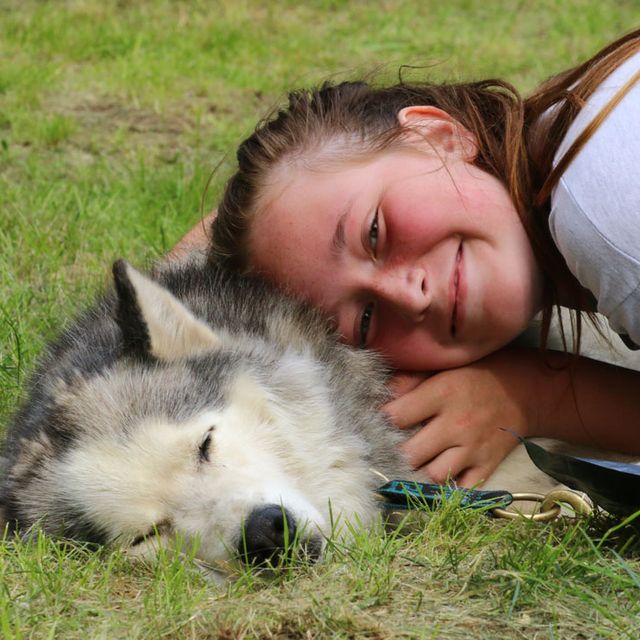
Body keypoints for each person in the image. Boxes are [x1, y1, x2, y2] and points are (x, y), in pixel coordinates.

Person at [174, 29, 640, 488]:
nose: (408, 296)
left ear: (438, 135)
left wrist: (545, 395)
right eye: (366, 319)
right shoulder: (569, 134)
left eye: (374, 233)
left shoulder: (604, 213)